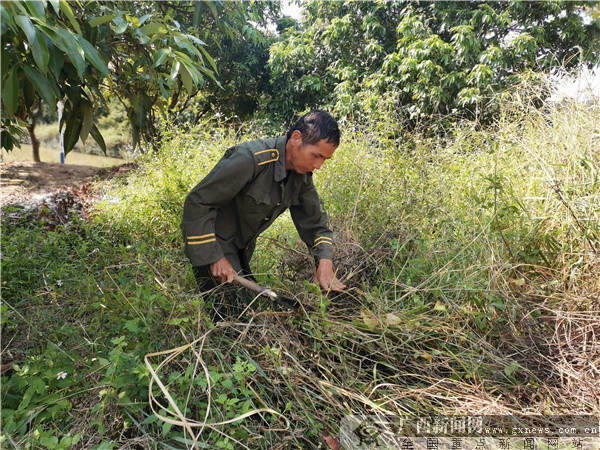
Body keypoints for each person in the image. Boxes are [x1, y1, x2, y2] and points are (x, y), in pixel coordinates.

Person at [181, 110, 346, 317]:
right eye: (316, 155)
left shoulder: (301, 176)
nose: (319, 166)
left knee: (252, 311)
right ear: (296, 138)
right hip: (212, 244)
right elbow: (197, 202)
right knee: (234, 321)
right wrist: (214, 257)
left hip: (241, 249)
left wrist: (324, 262)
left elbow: (316, 224)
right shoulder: (250, 159)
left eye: (325, 159)